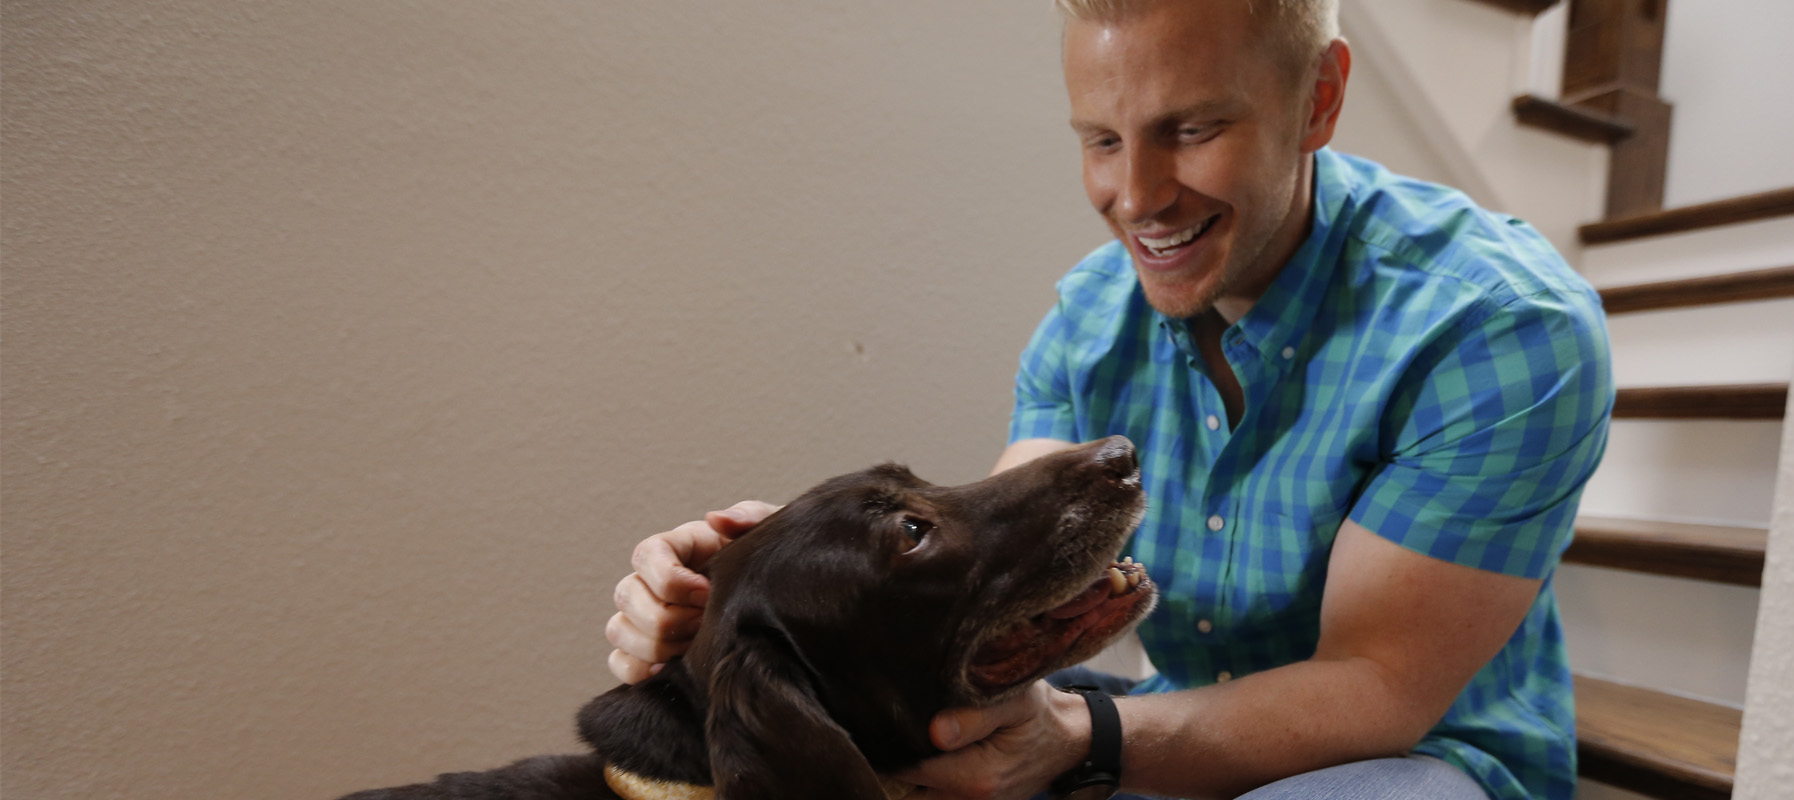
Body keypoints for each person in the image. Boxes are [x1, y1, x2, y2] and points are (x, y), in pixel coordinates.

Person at [606, 1, 1612, 798]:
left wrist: (1083, 740)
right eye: (1100, 140)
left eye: (1190, 128)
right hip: (1165, 708)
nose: (1135, 197)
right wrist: (728, 605)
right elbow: (1002, 570)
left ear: (1317, 98)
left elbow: (1376, 687)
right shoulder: (1086, 322)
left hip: (1418, 756)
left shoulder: (1499, 326)